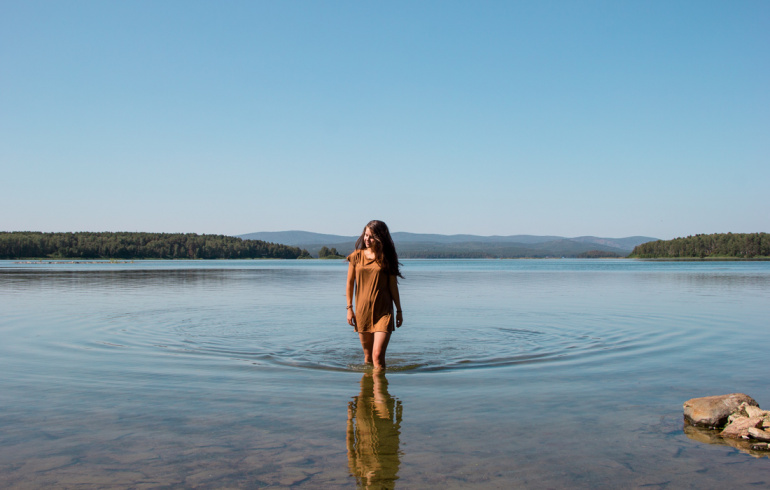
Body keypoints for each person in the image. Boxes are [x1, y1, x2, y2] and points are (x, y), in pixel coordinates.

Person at [346, 220, 404, 371]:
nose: (367, 239)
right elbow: (350, 284)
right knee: (368, 357)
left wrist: (399, 310)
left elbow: (393, 286)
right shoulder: (356, 257)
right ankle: (366, 393)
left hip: (384, 312)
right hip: (362, 312)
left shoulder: (387, 258)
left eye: (371, 236)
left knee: (377, 356)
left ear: (380, 238)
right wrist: (349, 308)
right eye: (366, 235)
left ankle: (381, 394)